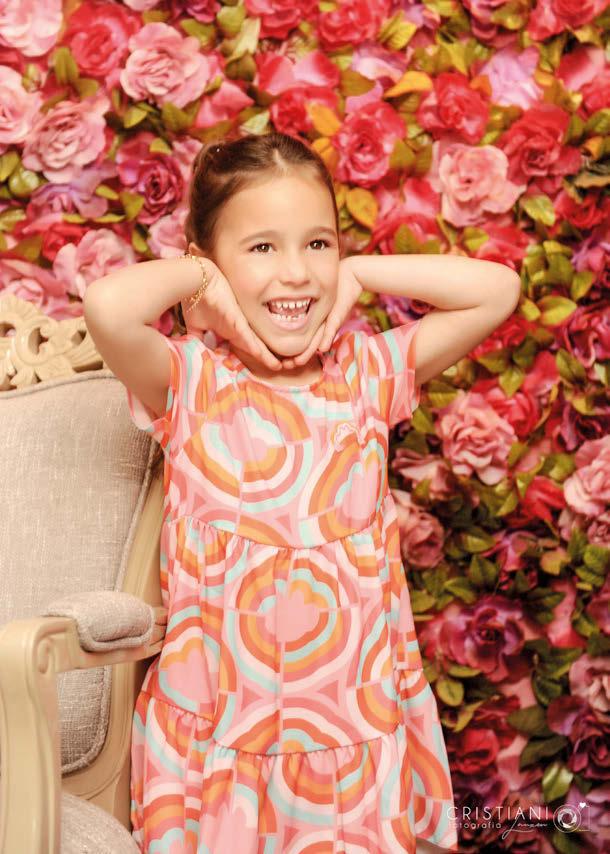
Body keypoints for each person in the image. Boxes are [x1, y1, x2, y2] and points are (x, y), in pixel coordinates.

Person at [83, 131, 521, 854]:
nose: (296, 273)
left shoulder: (368, 373)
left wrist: (361, 272)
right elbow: (106, 305)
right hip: (220, 740)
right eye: (261, 247)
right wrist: (200, 282)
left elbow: (497, 289)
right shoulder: (189, 381)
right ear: (207, 260)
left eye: (317, 244)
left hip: (354, 733)